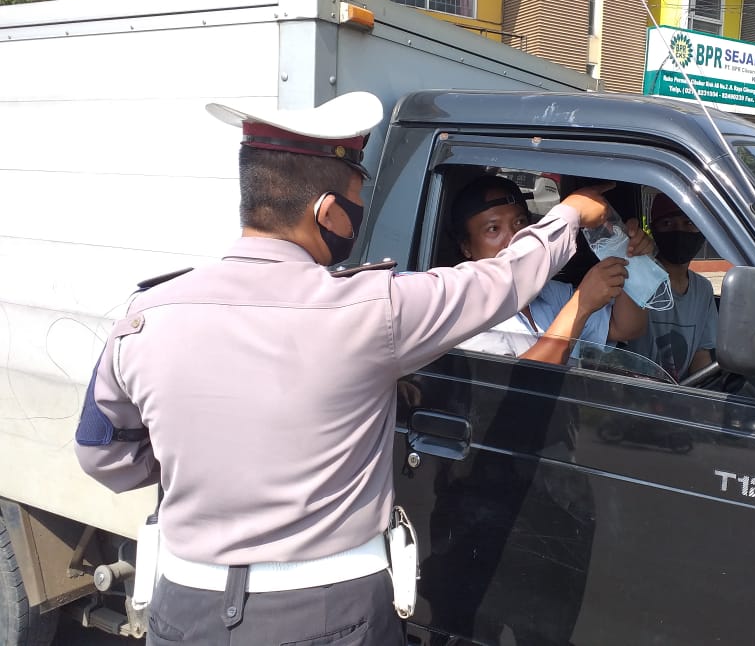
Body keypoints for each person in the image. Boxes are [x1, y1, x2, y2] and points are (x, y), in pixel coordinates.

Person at [73, 92, 612, 646]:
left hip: (185, 607)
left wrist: (201, 460)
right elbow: (500, 281)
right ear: (328, 212)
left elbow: (100, 453)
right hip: (329, 613)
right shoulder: (371, 311)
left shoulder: (145, 315)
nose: (357, 215)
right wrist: (569, 214)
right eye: (356, 200)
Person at [450, 174, 650, 365]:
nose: (513, 238)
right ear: (466, 247)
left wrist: (628, 254)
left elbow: (626, 328)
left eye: (519, 222)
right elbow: (518, 381)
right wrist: (581, 306)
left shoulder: (547, 292)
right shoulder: (467, 314)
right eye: (493, 229)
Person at [627, 192, 718, 382]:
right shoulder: (636, 278)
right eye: (668, 223)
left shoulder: (704, 290)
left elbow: (701, 356)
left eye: (689, 223)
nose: (679, 231)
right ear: (654, 229)